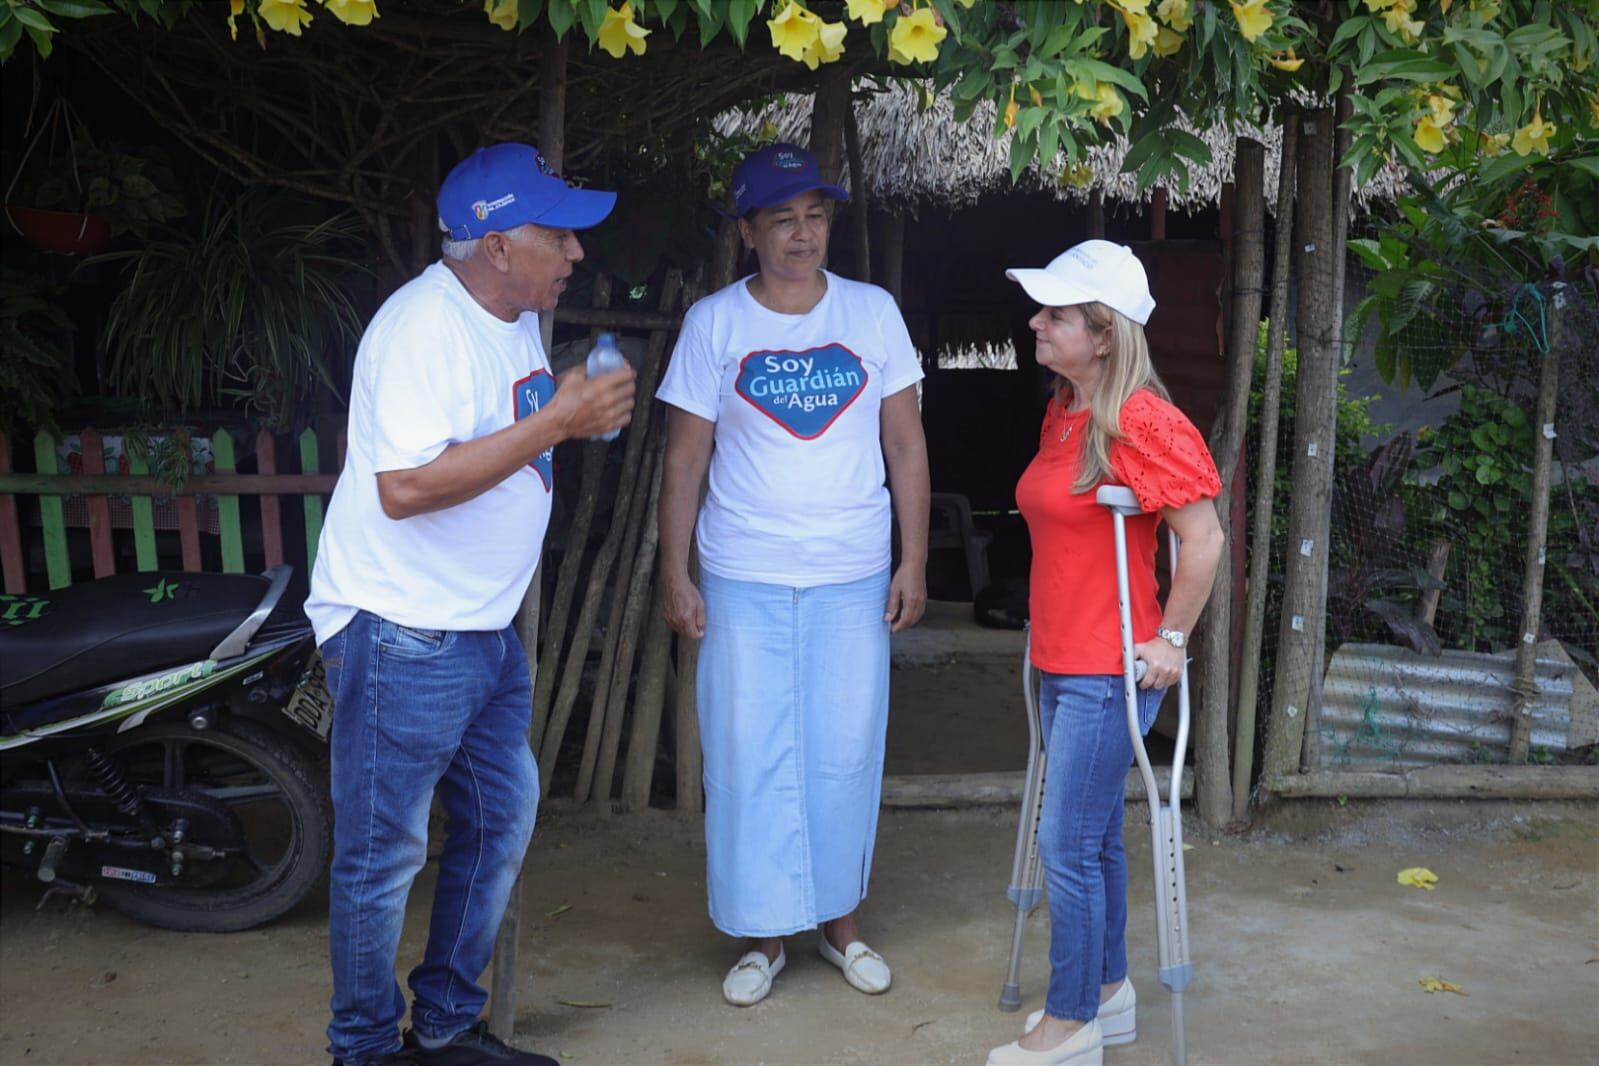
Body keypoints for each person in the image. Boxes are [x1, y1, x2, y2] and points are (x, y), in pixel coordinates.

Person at [304, 143, 636, 1066]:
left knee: (499, 822)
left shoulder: (513, 314)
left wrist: (570, 411)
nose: (575, 254)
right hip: (403, 626)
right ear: (495, 244)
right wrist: (558, 421)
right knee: (383, 859)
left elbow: (508, 441)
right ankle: (365, 1051)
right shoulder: (420, 329)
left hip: (480, 630)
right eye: (557, 236)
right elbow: (404, 487)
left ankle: (445, 1029)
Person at [656, 142, 931, 1008]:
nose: (801, 234)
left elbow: (904, 443)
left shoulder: (872, 313)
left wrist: (913, 558)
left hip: (851, 567)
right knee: (747, 750)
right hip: (743, 569)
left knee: (844, 748)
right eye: (781, 218)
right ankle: (762, 935)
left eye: (814, 216)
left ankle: (840, 925)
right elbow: (683, 460)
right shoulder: (714, 324)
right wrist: (678, 571)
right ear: (747, 231)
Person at [984, 241, 1224, 1066]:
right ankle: (1110, 990)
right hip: (1059, 656)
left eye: (1055, 315)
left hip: (1109, 667)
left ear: (1105, 333)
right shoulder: (1065, 411)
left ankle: (1071, 1019)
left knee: (1064, 844)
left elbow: (1203, 539)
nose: (1035, 323)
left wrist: (1170, 639)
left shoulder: (1144, 421)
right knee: (1089, 839)